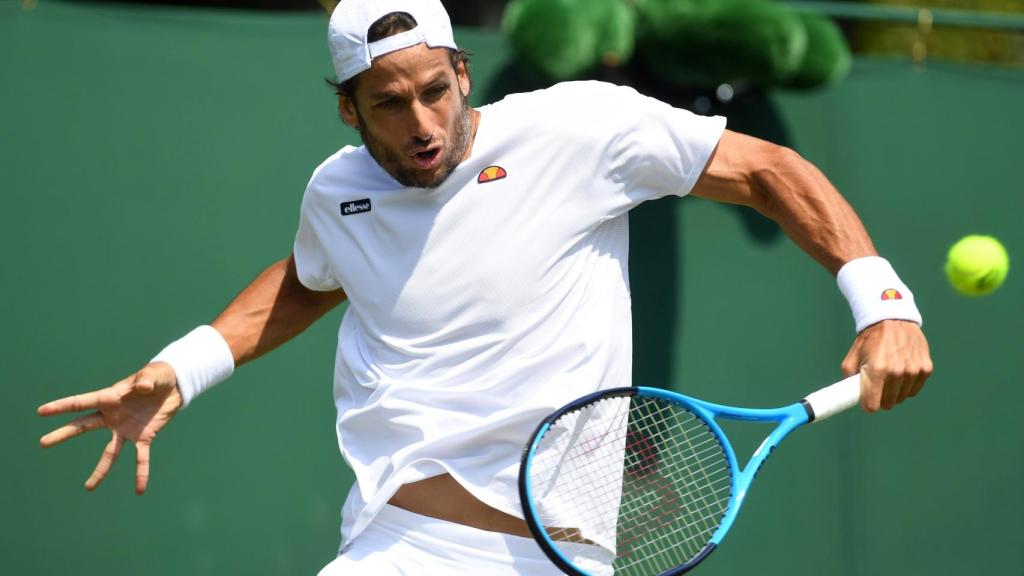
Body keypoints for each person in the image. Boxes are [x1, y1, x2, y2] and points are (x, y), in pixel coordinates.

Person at [37, 0, 933, 574]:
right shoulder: (338, 189)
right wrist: (185, 367)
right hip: (402, 544)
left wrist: (884, 303)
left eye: (436, 90)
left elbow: (767, 170)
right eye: (390, 104)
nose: (423, 124)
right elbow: (310, 282)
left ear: (464, 72)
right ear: (348, 108)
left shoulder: (581, 126)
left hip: (564, 556)